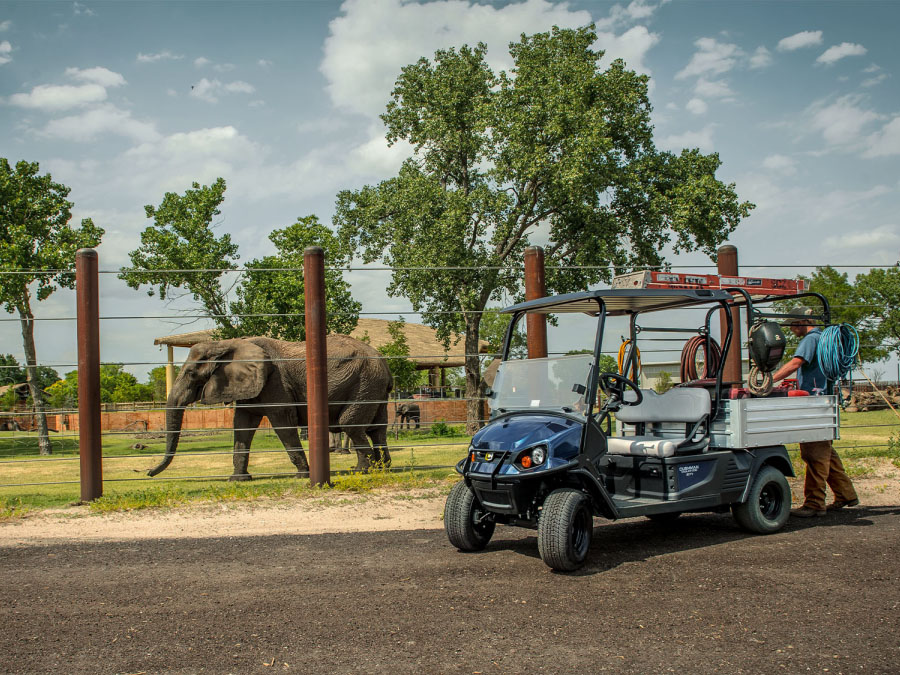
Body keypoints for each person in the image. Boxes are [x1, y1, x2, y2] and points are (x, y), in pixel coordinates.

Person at [771, 306, 859, 518]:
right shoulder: (823, 339)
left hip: (814, 405)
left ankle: (814, 503)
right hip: (823, 401)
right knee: (825, 452)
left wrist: (770, 380)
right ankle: (846, 494)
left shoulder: (810, 340)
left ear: (801, 322)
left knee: (814, 454)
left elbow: (795, 363)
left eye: (792, 324)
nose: (791, 329)